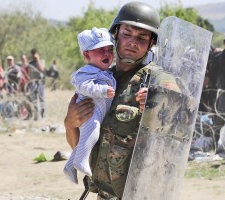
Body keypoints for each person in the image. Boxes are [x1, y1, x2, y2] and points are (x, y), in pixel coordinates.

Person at [64, 2, 179, 199]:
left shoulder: (158, 81)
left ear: (152, 42)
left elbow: (179, 123)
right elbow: (80, 145)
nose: (133, 42)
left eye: (142, 37)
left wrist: (159, 108)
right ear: (115, 35)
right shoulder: (101, 79)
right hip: (103, 193)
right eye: (127, 34)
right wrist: (70, 125)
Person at [64, 27, 116, 183]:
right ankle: (81, 162)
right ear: (86, 55)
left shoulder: (106, 71)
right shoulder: (86, 71)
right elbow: (83, 86)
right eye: (100, 50)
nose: (106, 53)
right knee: (92, 133)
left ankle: (69, 166)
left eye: (109, 49)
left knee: (85, 141)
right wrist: (101, 90)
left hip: (97, 111)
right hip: (89, 111)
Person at [28, 48, 46, 118]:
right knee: (34, 99)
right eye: (32, 54)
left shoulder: (41, 61)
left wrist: (38, 60)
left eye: (35, 53)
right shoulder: (30, 63)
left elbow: (41, 69)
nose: (33, 55)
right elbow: (29, 73)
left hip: (39, 82)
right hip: (33, 82)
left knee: (41, 98)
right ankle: (36, 115)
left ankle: (43, 113)